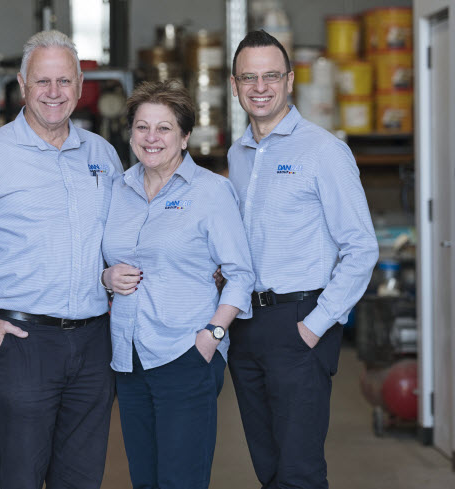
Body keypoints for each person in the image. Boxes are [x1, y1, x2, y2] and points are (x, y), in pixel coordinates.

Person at [0, 30, 123, 489]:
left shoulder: (103, 155)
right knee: (22, 477)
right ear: (22, 84)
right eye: (42, 81)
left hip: (94, 344)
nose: (54, 92)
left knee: (83, 478)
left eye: (64, 81)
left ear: (79, 85)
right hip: (23, 342)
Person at [226, 30, 378, 489]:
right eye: (248, 77)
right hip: (246, 323)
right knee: (268, 467)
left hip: (300, 320)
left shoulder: (323, 151)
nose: (260, 87)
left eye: (271, 76)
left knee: (299, 472)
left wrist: (316, 325)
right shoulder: (238, 153)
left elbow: (361, 248)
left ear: (290, 81)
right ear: (234, 86)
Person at [101, 80, 255, 489]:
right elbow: (102, 260)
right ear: (130, 134)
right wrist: (106, 277)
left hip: (185, 353)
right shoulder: (118, 189)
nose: (151, 138)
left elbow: (240, 273)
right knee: (144, 479)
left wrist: (212, 335)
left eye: (164, 128)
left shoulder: (211, 191)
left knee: (180, 480)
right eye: (142, 127)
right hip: (128, 356)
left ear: (185, 137)